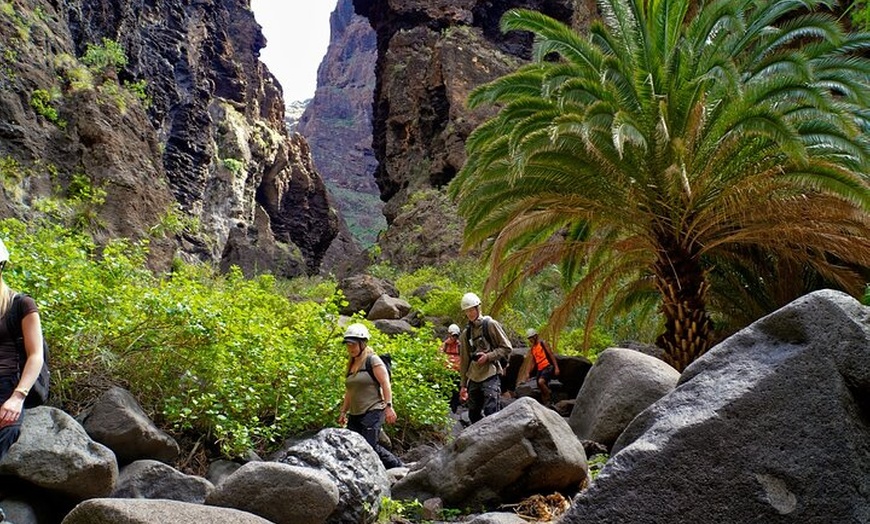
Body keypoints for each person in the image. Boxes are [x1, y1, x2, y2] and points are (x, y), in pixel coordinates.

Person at [0, 238, 45, 458]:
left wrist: (18, 397)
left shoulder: (21, 304)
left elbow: (36, 355)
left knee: (8, 429)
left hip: (7, 383)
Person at [337, 322, 403, 469]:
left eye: (353, 344)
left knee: (369, 447)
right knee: (354, 448)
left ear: (363, 343)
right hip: (355, 414)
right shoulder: (351, 365)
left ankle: (399, 468)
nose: (350, 348)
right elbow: (349, 392)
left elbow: (385, 383)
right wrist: (343, 412)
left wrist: (389, 406)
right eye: (348, 345)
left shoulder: (372, 360)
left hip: (373, 410)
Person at [458, 292, 512, 424]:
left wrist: (488, 357)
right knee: (473, 414)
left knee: (491, 411)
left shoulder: (491, 325)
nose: (470, 314)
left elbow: (507, 347)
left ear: (478, 308)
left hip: (491, 373)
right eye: (467, 311)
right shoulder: (466, 334)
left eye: (472, 310)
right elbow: (464, 360)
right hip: (474, 376)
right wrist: (463, 385)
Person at [524, 328, 560, 406]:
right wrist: (528, 373)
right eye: (529, 338)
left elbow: (551, 355)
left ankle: (549, 394)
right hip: (540, 368)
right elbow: (533, 362)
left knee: (541, 382)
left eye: (531, 337)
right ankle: (547, 404)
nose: (530, 340)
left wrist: (556, 367)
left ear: (535, 336)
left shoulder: (543, 343)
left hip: (547, 366)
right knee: (540, 386)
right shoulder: (533, 348)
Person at [440, 323, 462, 413]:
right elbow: (439, 357)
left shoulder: (461, 346)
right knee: (444, 393)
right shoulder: (444, 345)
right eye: (453, 335)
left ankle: (453, 411)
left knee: (455, 394)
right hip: (446, 373)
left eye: (456, 336)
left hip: (457, 373)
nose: (454, 338)